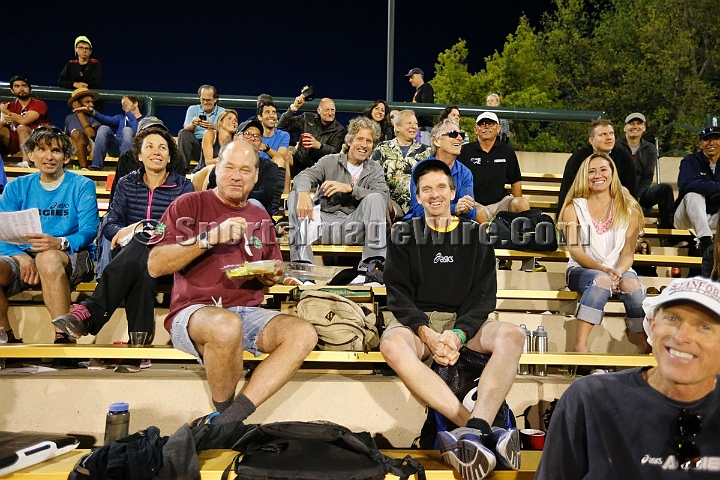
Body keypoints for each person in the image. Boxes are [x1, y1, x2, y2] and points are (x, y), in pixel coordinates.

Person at [146, 139, 317, 426]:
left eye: (245, 170)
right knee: (226, 325)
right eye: (229, 168)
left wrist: (271, 274)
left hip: (248, 311)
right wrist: (209, 237)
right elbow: (155, 265)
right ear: (216, 169)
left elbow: (272, 269)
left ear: (256, 176)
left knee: (304, 333)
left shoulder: (260, 215)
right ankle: (223, 411)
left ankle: (231, 418)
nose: (237, 176)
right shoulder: (189, 203)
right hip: (194, 311)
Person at [381, 159, 524, 480]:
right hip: (416, 325)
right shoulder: (404, 234)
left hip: (463, 323)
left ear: (452, 191)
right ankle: (477, 429)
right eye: (426, 189)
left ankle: (474, 431)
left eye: (440, 187)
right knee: (391, 345)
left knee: (513, 334)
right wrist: (429, 335)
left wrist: (459, 334)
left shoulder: (475, 235)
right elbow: (398, 295)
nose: (434, 195)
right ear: (417, 197)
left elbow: (483, 297)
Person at [536, 276, 720, 479]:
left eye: (704, 327)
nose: (682, 336)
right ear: (651, 325)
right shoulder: (590, 398)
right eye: (672, 319)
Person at [51, 126, 194, 372]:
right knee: (141, 260)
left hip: (171, 257)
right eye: (149, 147)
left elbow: (187, 229)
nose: (156, 152)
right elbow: (111, 224)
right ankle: (139, 347)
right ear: (139, 155)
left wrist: (148, 230)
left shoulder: (184, 186)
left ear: (170, 157)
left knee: (143, 243)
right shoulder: (127, 183)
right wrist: (127, 230)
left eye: (162, 148)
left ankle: (91, 311)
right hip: (134, 256)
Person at [0, 126, 98, 344]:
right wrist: (21, 256)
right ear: (31, 155)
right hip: (23, 255)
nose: (49, 156)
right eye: (42, 149)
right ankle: (5, 337)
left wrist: (60, 242)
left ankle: (64, 336)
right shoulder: (16, 187)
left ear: (65, 157)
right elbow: (2, 231)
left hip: (72, 254)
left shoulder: (82, 185)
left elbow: (89, 230)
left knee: (47, 257)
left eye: (55, 151)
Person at [559, 153, 649, 354]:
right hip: (582, 269)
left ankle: (647, 345)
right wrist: (605, 270)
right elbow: (575, 250)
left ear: (612, 174)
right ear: (585, 176)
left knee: (632, 285)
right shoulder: (573, 208)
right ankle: (579, 346)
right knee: (601, 281)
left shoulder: (629, 209)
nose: (597, 175)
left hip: (620, 268)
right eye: (591, 171)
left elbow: (628, 254)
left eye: (603, 170)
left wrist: (617, 271)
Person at [287, 116, 387, 270]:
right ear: (349, 141)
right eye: (359, 139)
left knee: (376, 197)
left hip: (354, 229)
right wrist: (303, 194)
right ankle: (303, 267)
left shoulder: (375, 169)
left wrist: (351, 189)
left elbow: (383, 198)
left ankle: (372, 269)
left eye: (369, 141)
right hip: (322, 227)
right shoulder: (329, 161)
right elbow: (304, 176)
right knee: (295, 195)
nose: (364, 145)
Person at [458, 112, 530, 224]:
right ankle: (490, 239)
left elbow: (515, 182)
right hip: (476, 203)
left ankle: (522, 239)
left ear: (498, 128)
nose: (486, 127)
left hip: (501, 202)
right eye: (482, 124)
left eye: (491, 124)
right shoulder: (465, 151)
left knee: (522, 203)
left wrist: (517, 205)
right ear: (475, 129)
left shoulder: (506, 150)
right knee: (477, 212)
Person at [404, 119, 481, 223]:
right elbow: (420, 211)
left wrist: (465, 208)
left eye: (461, 135)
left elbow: (471, 213)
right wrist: (455, 209)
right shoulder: (421, 169)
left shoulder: (465, 172)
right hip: (422, 228)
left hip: (453, 227)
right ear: (436, 141)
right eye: (453, 134)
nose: (459, 138)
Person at [557, 119, 638, 216]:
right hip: (584, 210)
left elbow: (631, 192)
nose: (609, 138)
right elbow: (567, 190)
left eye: (611, 134)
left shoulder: (624, 158)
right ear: (591, 140)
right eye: (603, 135)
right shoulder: (578, 158)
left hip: (616, 211)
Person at [199, 120, 279, 215]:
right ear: (236, 137)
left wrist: (233, 195)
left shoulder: (269, 167)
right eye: (247, 134)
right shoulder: (222, 164)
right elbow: (212, 190)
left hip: (254, 216)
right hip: (221, 213)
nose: (252, 138)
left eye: (257, 136)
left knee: (254, 203)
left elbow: (265, 195)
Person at [108, 116, 186, 204]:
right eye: (148, 132)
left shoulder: (176, 159)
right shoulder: (126, 158)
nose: (154, 135)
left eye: (159, 132)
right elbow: (116, 200)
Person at [619, 112, 675, 232]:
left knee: (665, 189)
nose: (635, 126)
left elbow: (647, 176)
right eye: (631, 124)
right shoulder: (616, 146)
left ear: (644, 128)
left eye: (639, 123)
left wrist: (637, 196)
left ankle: (668, 231)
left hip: (641, 193)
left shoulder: (650, 149)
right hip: (619, 192)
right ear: (625, 128)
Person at [371, 110, 431, 217]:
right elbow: (372, 177)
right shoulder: (382, 149)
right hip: (388, 207)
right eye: (409, 123)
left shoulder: (426, 152)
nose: (414, 126)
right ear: (397, 127)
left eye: (416, 123)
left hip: (419, 208)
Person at [674, 126, 720, 256]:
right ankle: (706, 242)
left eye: (716, 138)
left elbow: (693, 184)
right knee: (693, 195)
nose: (711, 143)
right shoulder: (691, 160)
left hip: (713, 218)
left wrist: (703, 186)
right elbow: (685, 185)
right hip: (686, 217)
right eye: (706, 139)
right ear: (700, 144)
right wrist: (716, 187)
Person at [277, 96, 346, 178]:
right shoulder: (307, 118)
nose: (330, 113)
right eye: (327, 110)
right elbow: (281, 127)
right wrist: (293, 108)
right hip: (300, 162)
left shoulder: (339, 129)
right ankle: (285, 190)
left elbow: (335, 151)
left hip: (322, 167)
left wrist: (319, 146)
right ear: (319, 111)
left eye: (332, 110)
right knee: (285, 155)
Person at [74, 95, 144, 170]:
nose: (123, 107)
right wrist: (91, 111)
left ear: (135, 103)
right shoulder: (121, 118)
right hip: (116, 148)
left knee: (127, 130)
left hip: (133, 150)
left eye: (125, 103)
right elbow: (105, 119)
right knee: (103, 128)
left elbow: (136, 129)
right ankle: (96, 166)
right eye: (122, 105)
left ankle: (126, 168)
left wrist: (129, 113)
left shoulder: (146, 119)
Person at [0, 76, 50, 166]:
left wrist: (6, 111)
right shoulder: (9, 105)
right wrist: (4, 121)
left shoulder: (39, 104)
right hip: (17, 141)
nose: (21, 88)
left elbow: (24, 121)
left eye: (24, 86)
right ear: (12, 90)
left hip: (39, 140)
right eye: (17, 86)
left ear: (30, 90)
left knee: (21, 128)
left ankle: (26, 162)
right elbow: (2, 123)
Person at [177, 85, 225, 173]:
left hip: (214, 149)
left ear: (215, 99)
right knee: (183, 133)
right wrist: (193, 124)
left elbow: (228, 131)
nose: (206, 102)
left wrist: (214, 127)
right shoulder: (192, 109)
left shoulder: (223, 112)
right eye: (203, 99)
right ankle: (181, 172)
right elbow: (186, 128)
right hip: (197, 148)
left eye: (209, 100)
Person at [256, 101, 291, 208]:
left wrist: (265, 148)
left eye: (274, 112)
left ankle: (284, 200)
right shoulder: (254, 134)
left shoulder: (283, 135)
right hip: (256, 172)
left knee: (284, 159)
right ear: (260, 117)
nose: (272, 115)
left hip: (274, 172)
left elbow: (281, 156)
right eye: (267, 112)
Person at [63, 88, 100, 169]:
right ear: (77, 103)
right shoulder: (69, 118)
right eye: (87, 102)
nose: (92, 105)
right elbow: (66, 135)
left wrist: (79, 113)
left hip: (90, 146)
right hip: (73, 146)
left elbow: (91, 134)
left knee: (76, 133)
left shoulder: (95, 117)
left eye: (92, 102)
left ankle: (84, 167)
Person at [194, 109, 238, 173]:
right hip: (203, 173)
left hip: (222, 174)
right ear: (220, 122)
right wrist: (229, 158)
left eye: (235, 120)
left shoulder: (236, 140)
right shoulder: (210, 134)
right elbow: (208, 162)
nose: (234, 122)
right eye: (229, 118)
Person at [405, 67, 434, 144]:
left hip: (425, 128)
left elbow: (426, 108)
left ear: (419, 75)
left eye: (412, 77)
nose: (410, 80)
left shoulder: (426, 87)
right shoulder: (418, 91)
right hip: (418, 128)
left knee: (423, 153)